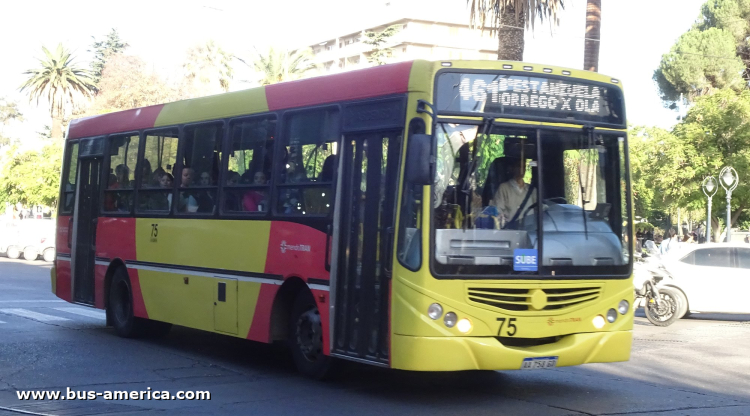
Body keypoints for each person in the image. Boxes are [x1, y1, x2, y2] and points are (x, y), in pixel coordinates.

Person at [491, 158, 536, 228]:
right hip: (511, 232)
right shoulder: (503, 188)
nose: (521, 170)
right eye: (518, 166)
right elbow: (498, 212)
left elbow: (539, 211)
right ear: (512, 168)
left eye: (523, 167)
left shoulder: (532, 190)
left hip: (530, 232)